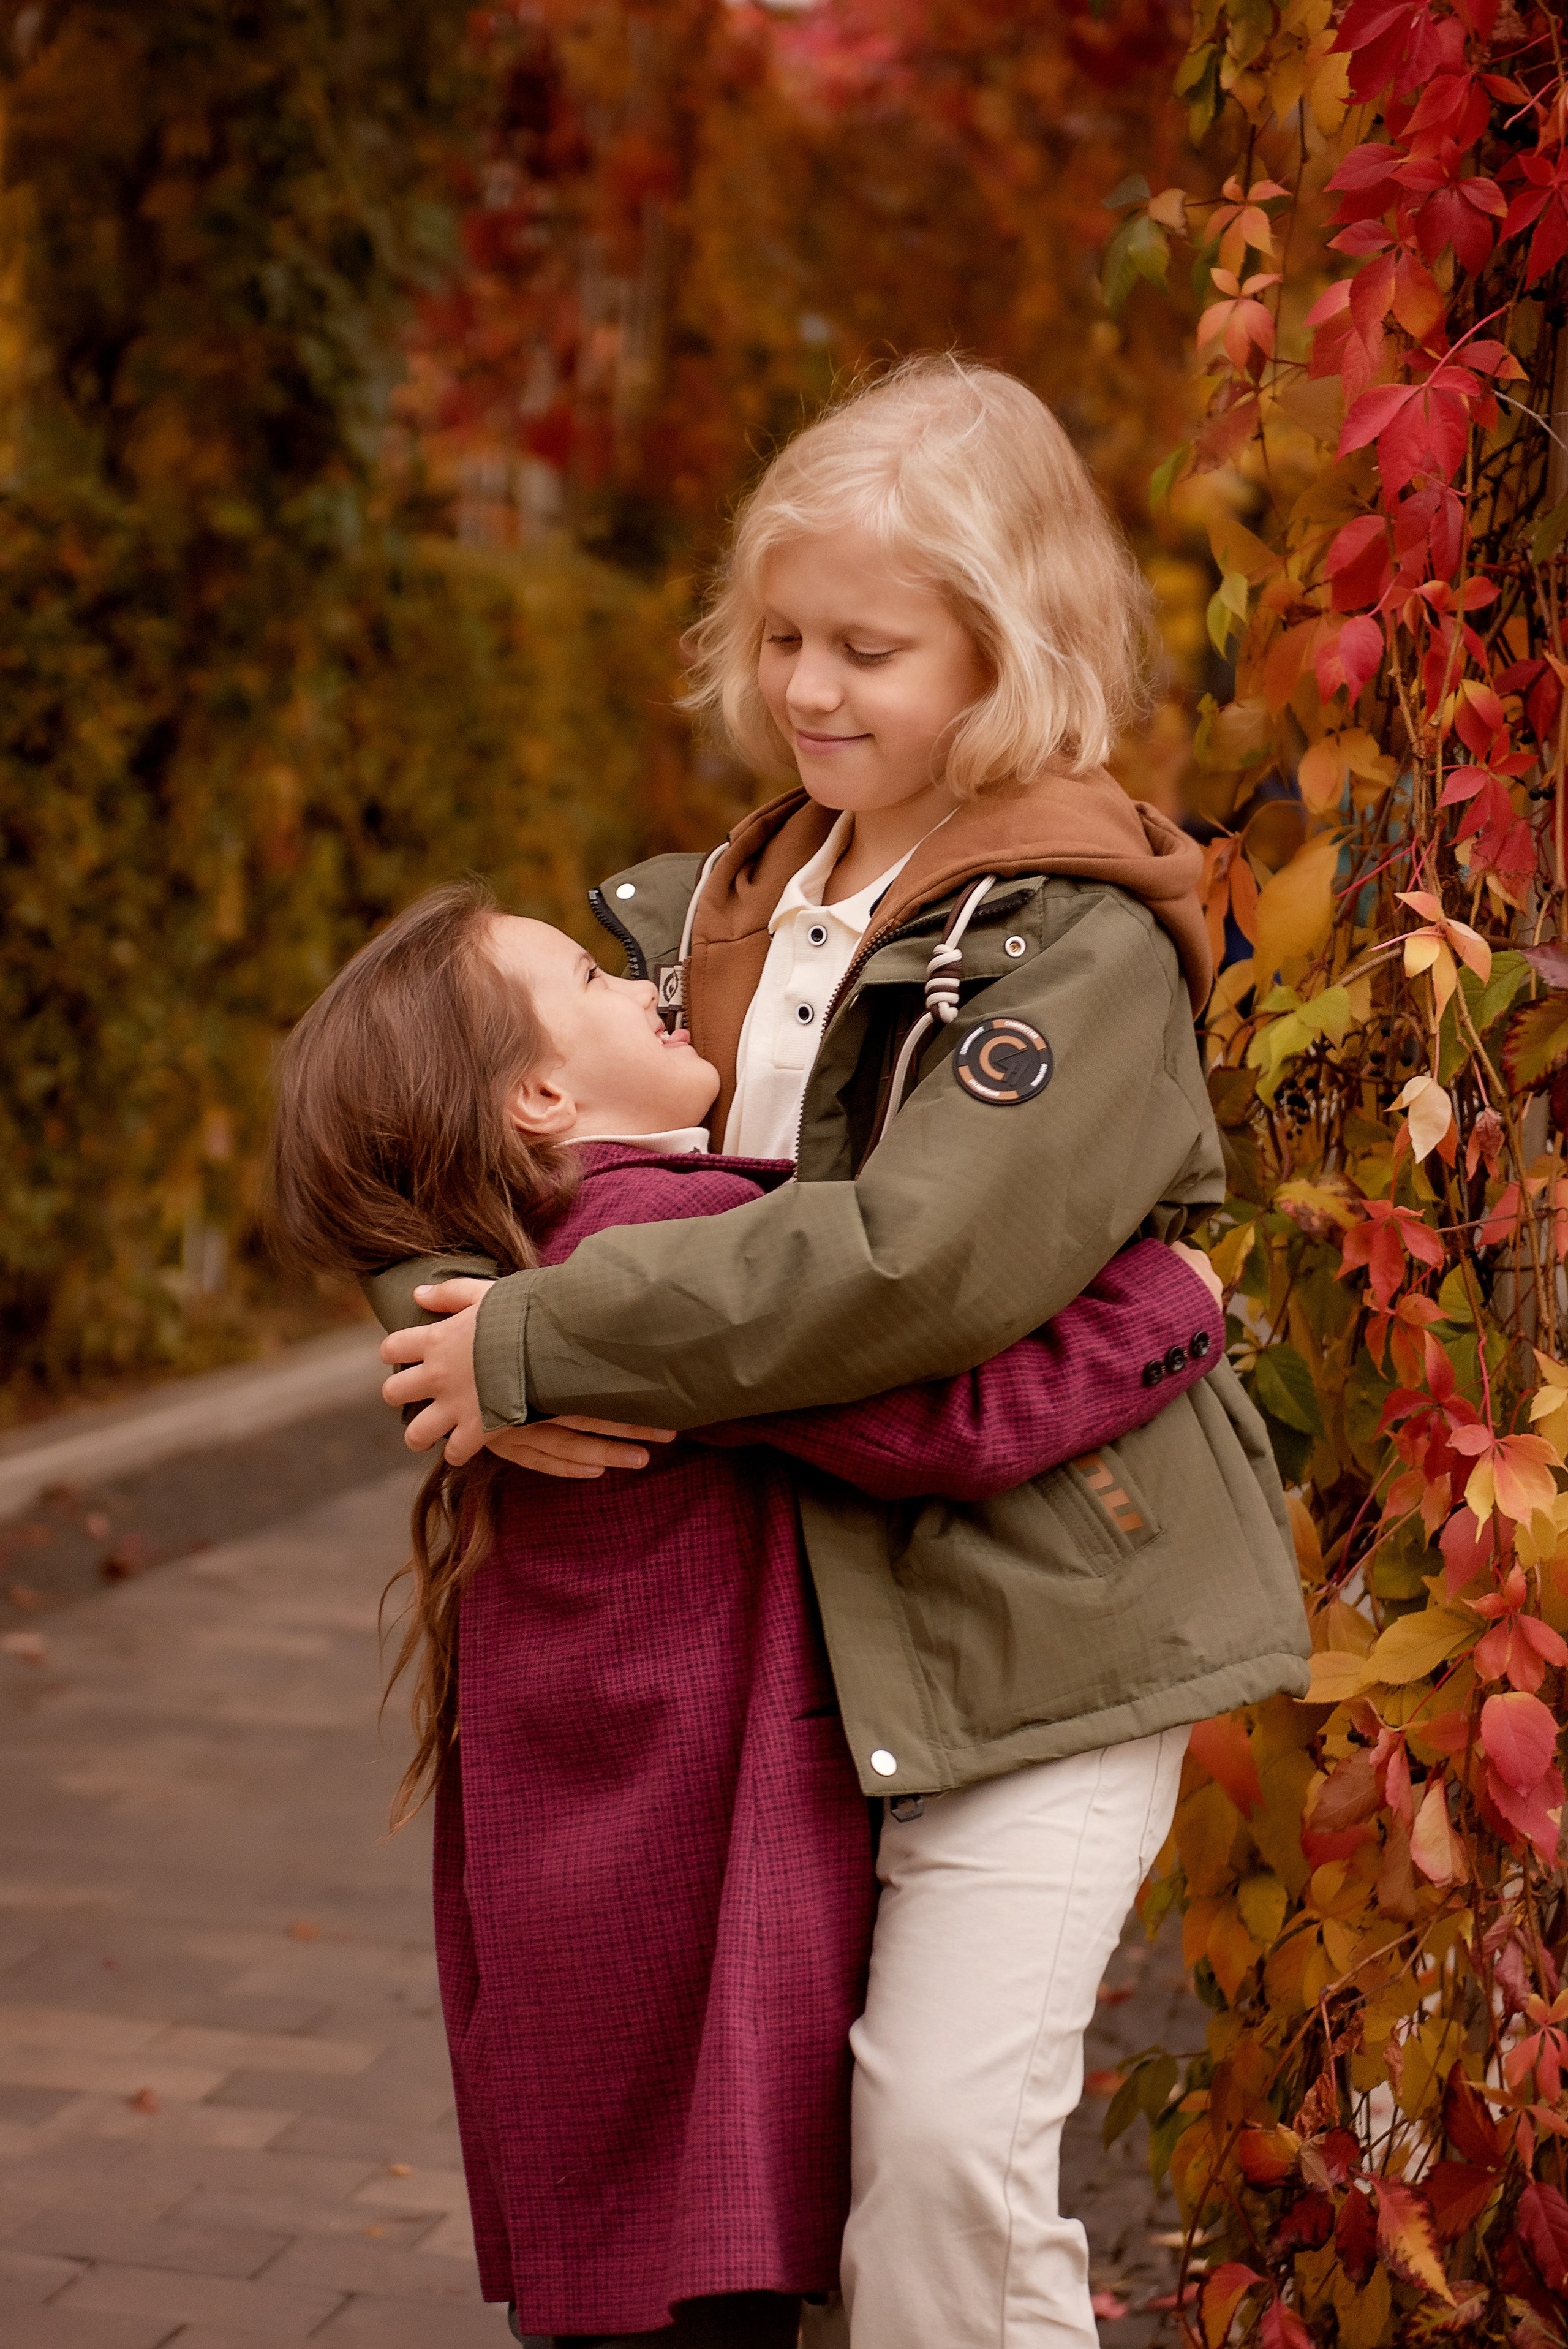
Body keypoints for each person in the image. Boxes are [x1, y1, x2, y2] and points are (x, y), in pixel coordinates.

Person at [372, 357, 1313, 2348]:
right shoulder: (714, 905)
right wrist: (451, 1335)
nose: (809, 687)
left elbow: (914, 1266)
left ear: (1012, 645)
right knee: (786, 2199)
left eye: (870, 648)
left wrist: (546, 1335)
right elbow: (458, 1136)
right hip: (797, 1643)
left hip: (1053, 1605)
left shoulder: (1077, 942)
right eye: (783, 633)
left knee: (947, 2155)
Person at [268, 880, 1226, 2348]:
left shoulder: (547, 1249)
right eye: (591, 983)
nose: (644, 984)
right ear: (537, 1091)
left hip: (572, 1842)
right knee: (708, 2245)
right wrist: (1164, 1303)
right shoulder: (669, 1242)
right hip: (690, 1837)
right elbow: (939, 1415)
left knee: (628, 2242)